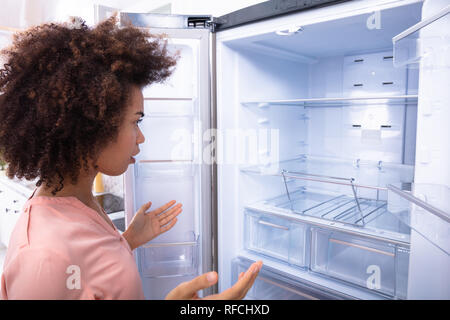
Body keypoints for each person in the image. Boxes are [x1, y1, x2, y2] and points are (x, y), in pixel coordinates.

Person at [0, 15, 262, 300]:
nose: (141, 137)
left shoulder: (76, 201)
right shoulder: (43, 258)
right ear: (91, 128)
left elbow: (89, 278)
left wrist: (125, 242)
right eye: (135, 121)